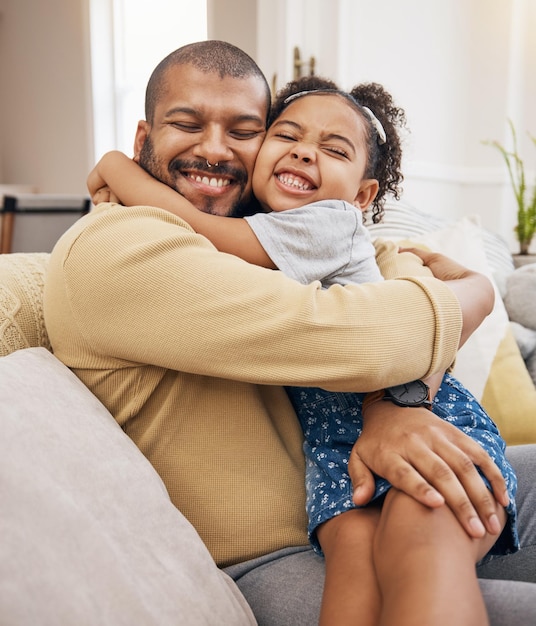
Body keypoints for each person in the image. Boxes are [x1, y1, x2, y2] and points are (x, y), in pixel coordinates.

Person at [43, 40, 536, 625]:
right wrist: (474, 296)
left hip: (357, 460)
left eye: (244, 130)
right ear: (143, 140)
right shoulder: (122, 247)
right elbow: (359, 335)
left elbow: (391, 260)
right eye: (187, 123)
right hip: (279, 550)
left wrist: (393, 401)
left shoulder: (257, 228)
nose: (215, 149)